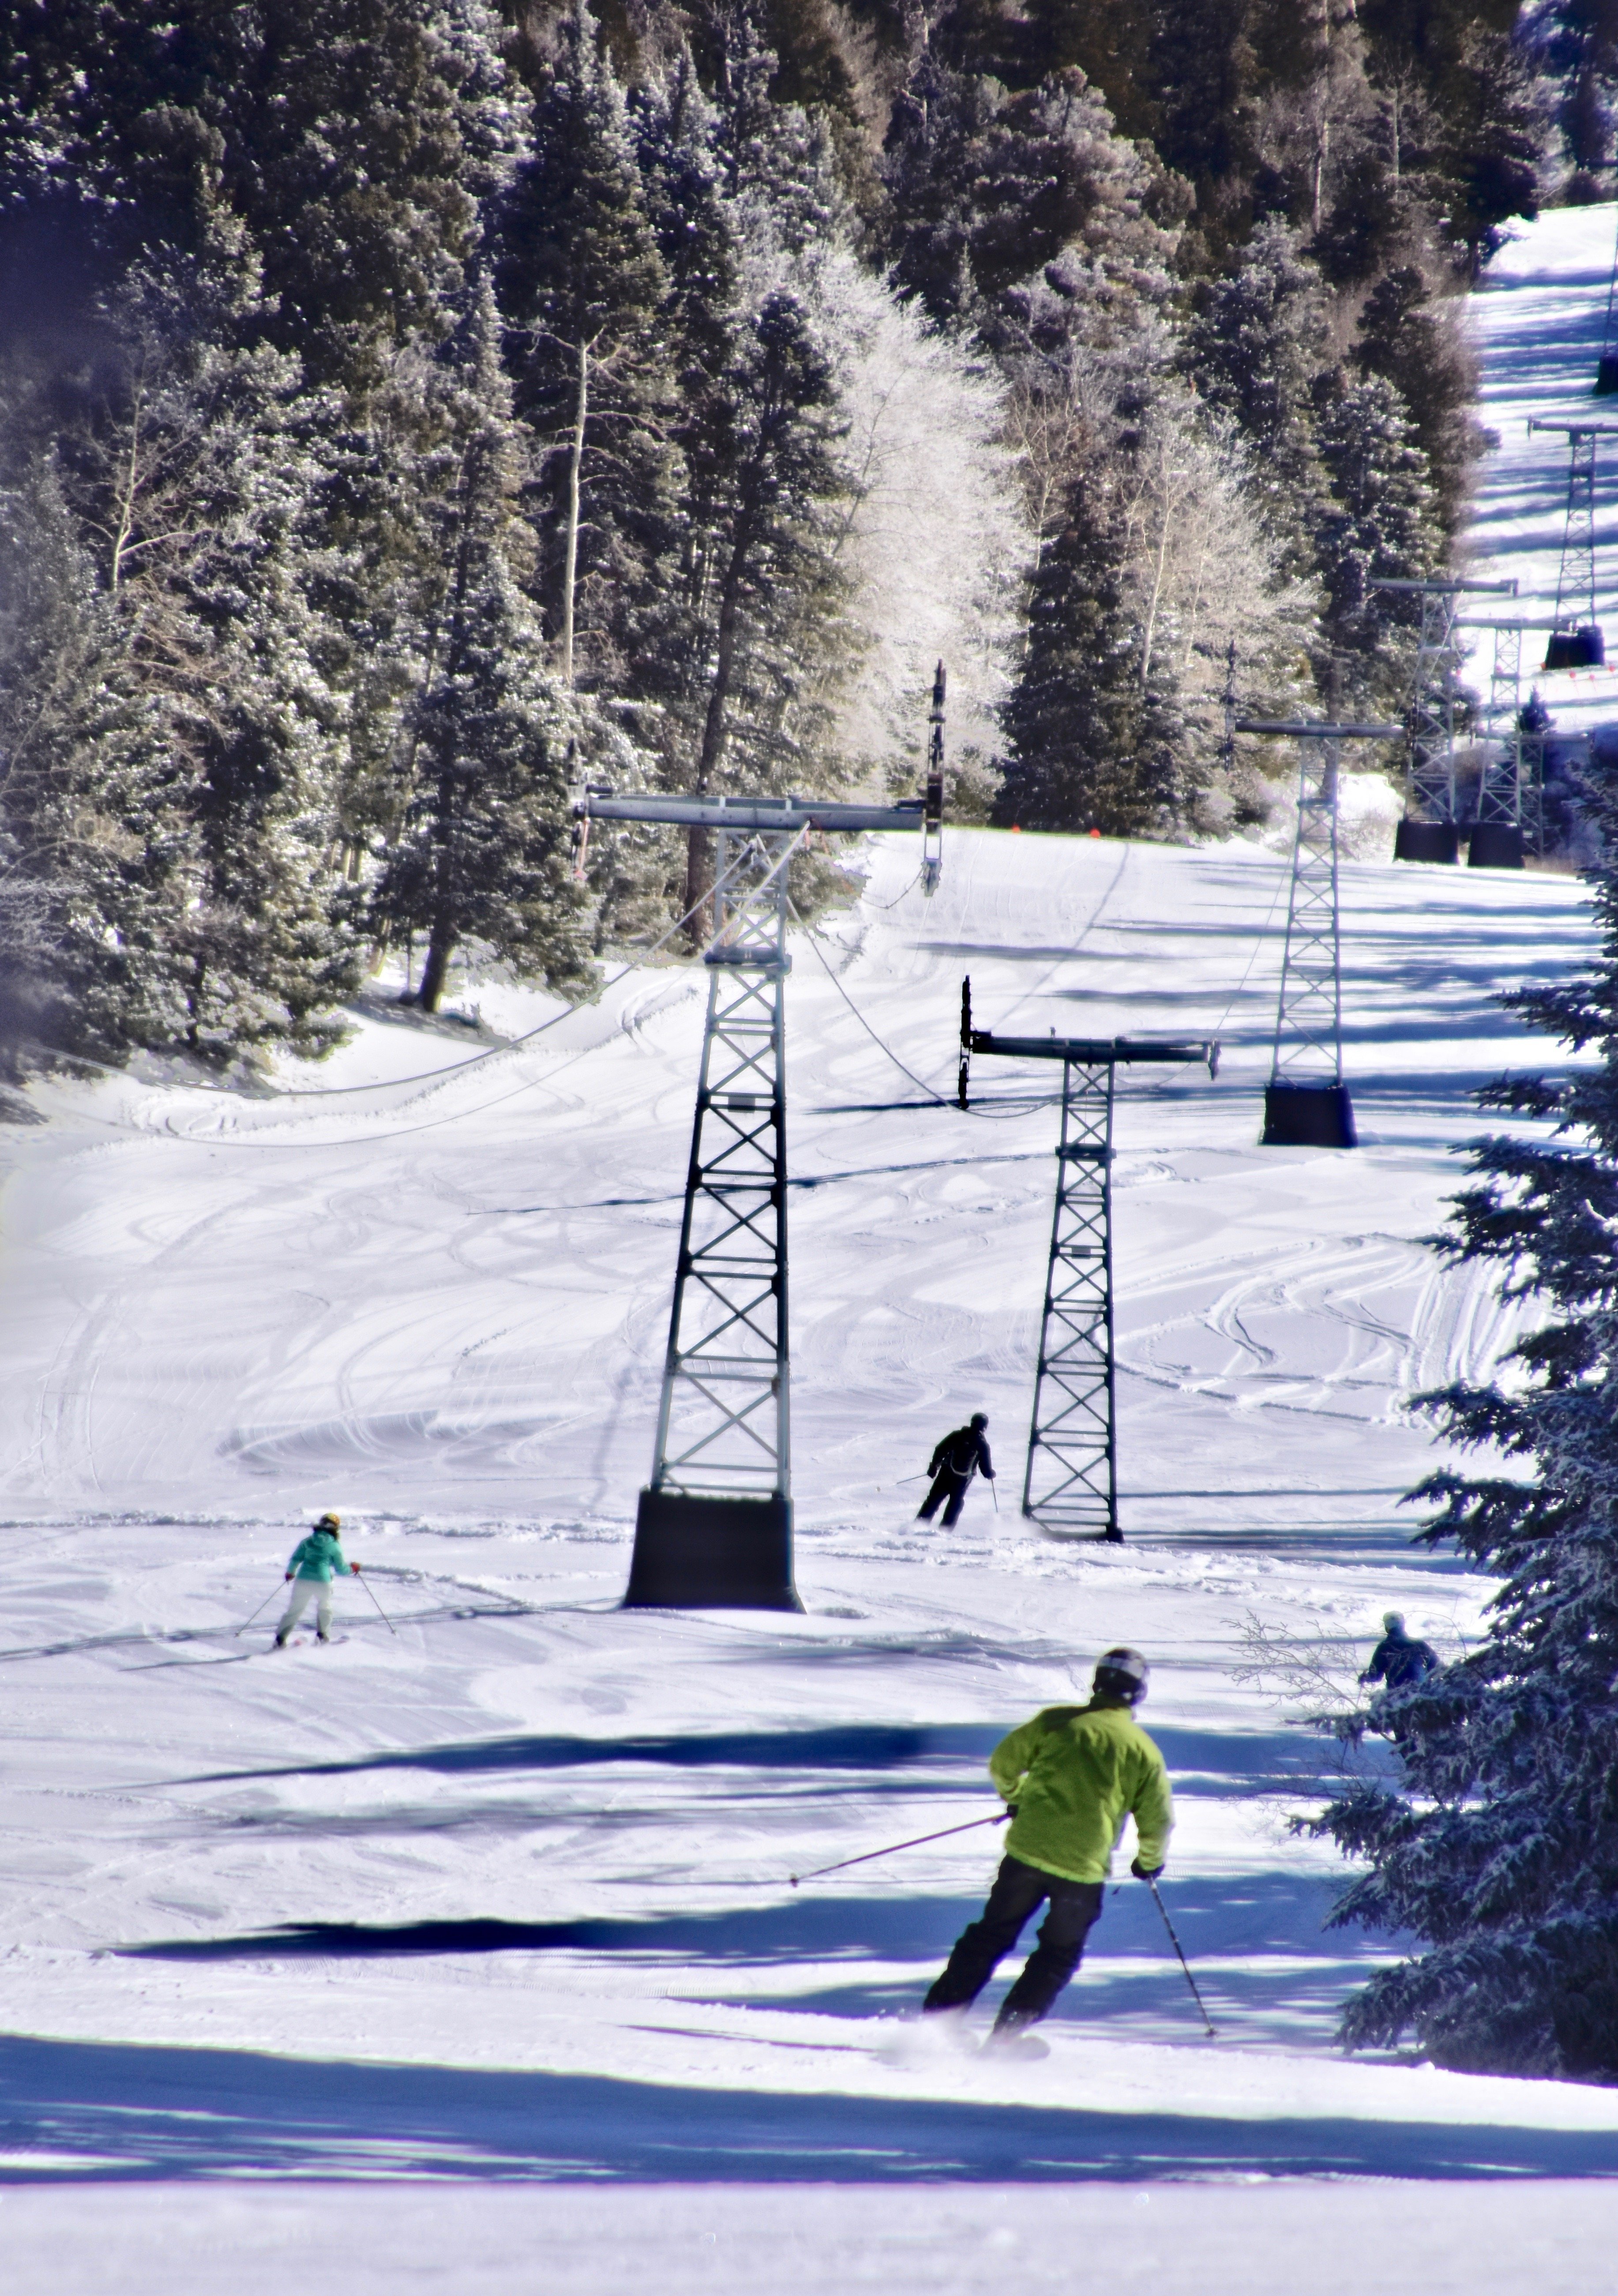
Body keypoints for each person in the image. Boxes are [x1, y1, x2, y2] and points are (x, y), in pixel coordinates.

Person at [922, 1646, 1173, 2055]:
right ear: (1138, 1693)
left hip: (1026, 1854)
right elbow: (1158, 1818)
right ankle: (1006, 2037)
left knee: (989, 1937)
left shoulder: (1056, 1722)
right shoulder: (1143, 1750)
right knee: (1057, 1954)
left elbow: (1003, 1762)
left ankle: (937, 2022)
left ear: (1097, 1682)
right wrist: (1149, 1863)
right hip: (1082, 1870)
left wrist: (1017, 1797)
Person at [273, 1512, 360, 1646]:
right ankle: (322, 1636)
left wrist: (290, 1572)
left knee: (295, 1610)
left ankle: (280, 1639)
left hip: (303, 1580)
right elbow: (341, 1570)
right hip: (323, 1582)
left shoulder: (308, 1541)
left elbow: (296, 1558)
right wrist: (353, 1569)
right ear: (336, 1528)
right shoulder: (335, 1546)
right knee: (325, 1608)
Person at [917, 1412, 995, 1527]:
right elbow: (986, 1470)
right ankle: (945, 1531)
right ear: (985, 1427)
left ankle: (918, 1526)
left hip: (946, 1474)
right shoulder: (983, 1445)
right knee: (955, 1504)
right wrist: (991, 1474)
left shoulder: (957, 1436)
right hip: (963, 1480)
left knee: (933, 1500)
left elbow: (940, 1449)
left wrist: (934, 1467)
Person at [1360, 1611, 1439, 1691]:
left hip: (1396, 1695)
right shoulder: (1419, 1645)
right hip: (1420, 1694)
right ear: (1403, 1625)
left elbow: (1376, 1676)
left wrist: (1365, 1678)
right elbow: (1436, 1667)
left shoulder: (1384, 1647)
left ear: (1387, 1627)